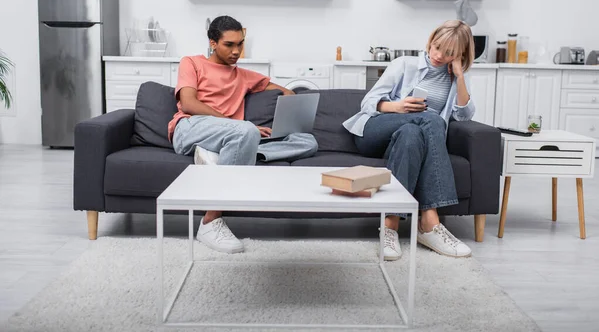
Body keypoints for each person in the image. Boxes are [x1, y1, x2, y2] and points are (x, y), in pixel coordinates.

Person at [168, 15, 318, 254]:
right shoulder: (192, 62)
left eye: (240, 44)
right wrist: (237, 126)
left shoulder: (244, 76)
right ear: (213, 43)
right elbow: (188, 103)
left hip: (232, 135)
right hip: (190, 128)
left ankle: (234, 153)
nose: (236, 51)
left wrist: (293, 102)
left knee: (307, 141)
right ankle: (209, 222)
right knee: (246, 130)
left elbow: (285, 91)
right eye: (229, 44)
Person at [343, 20, 476, 261]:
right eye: (436, 47)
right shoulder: (404, 64)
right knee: (433, 120)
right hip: (374, 131)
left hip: (405, 138)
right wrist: (398, 106)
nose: (438, 55)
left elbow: (464, 114)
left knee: (412, 134)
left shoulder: (453, 78)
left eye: (448, 53)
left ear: (459, 55)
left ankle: (390, 225)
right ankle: (430, 223)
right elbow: (368, 103)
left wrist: (460, 77)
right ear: (430, 40)